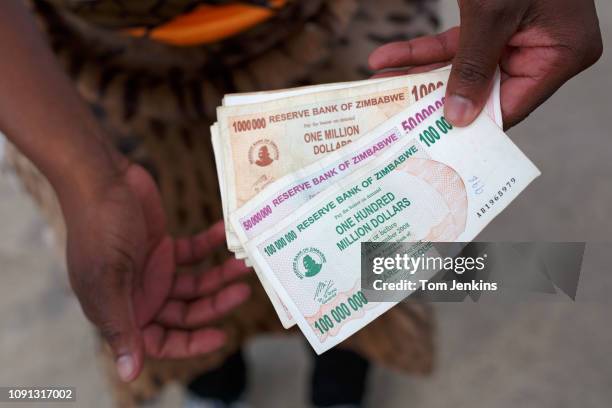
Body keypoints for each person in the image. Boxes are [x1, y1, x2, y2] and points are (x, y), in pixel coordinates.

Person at [0, 0, 601, 406]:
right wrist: (84, 175)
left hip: (334, 23)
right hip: (84, 66)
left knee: (371, 250)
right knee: (170, 271)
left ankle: (342, 373)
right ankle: (215, 379)